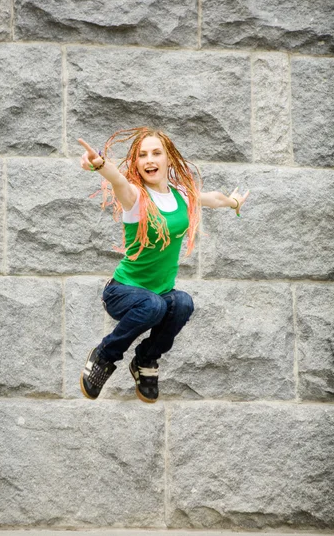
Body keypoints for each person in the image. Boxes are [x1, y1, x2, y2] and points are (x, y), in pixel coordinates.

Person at [78, 128, 249, 403]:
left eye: (156, 153)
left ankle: (145, 361)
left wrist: (233, 202)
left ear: (168, 158)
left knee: (182, 303)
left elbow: (212, 198)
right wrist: (99, 164)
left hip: (159, 293)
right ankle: (104, 355)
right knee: (153, 306)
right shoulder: (135, 197)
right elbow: (118, 181)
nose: (149, 160)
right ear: (136, 163)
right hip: (123, 291)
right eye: (142, 155)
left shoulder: (181, 193)